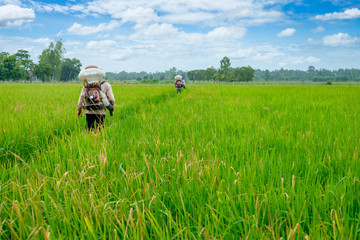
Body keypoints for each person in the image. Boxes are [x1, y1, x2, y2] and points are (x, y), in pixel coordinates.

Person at [77, 65, 115, 131]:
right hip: (101, 111)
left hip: (89, 111)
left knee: (90, 130)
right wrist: (111, 106)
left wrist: (79, 109)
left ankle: (90, 140)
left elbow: (81, 98)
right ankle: (99, 140)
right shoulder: (107, 85)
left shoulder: (86, 85)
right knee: (100, 130)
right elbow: (111, 99)